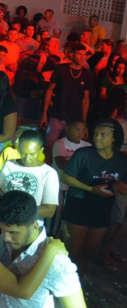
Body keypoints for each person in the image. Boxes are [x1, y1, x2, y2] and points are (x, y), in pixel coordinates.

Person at [0, 191, 86, 308]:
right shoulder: (1, 241)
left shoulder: (58, 264)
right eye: (3, 230)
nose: (6, 238)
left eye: (13, 232)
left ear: (34, 225)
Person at [60, 118, 127, 277]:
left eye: (103, 135)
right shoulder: (84, 154)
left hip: (102, 213)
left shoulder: (121, 160)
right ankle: (58, 292)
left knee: (86, 255)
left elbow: (123, 187)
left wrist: (120, 187)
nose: (97, 137)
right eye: (96, 133)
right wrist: (91, 189)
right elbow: (65, 177)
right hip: (78, 210)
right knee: (71, 256)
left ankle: (76, 290)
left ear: (114, 138)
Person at [0, 129, 59, 220]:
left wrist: (15, 211)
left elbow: (49, 210)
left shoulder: (49, 173)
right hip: (7, 223)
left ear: (40, 151)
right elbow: (0, 192)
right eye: (23, 153)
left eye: (32, 154)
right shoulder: (9, 165)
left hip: (31, 227)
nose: (27, 158)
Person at [41, 44, 92, 148]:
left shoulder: (87, 75)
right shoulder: (61, 69)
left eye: (84, 54)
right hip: (57, 115)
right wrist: (44, 114)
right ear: (72, 54)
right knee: (49, 146)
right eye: (79, 54)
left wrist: (84, 122)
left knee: (67, 148)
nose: (82, 57)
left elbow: (85, 99)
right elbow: (50, 89)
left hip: (74, 119)